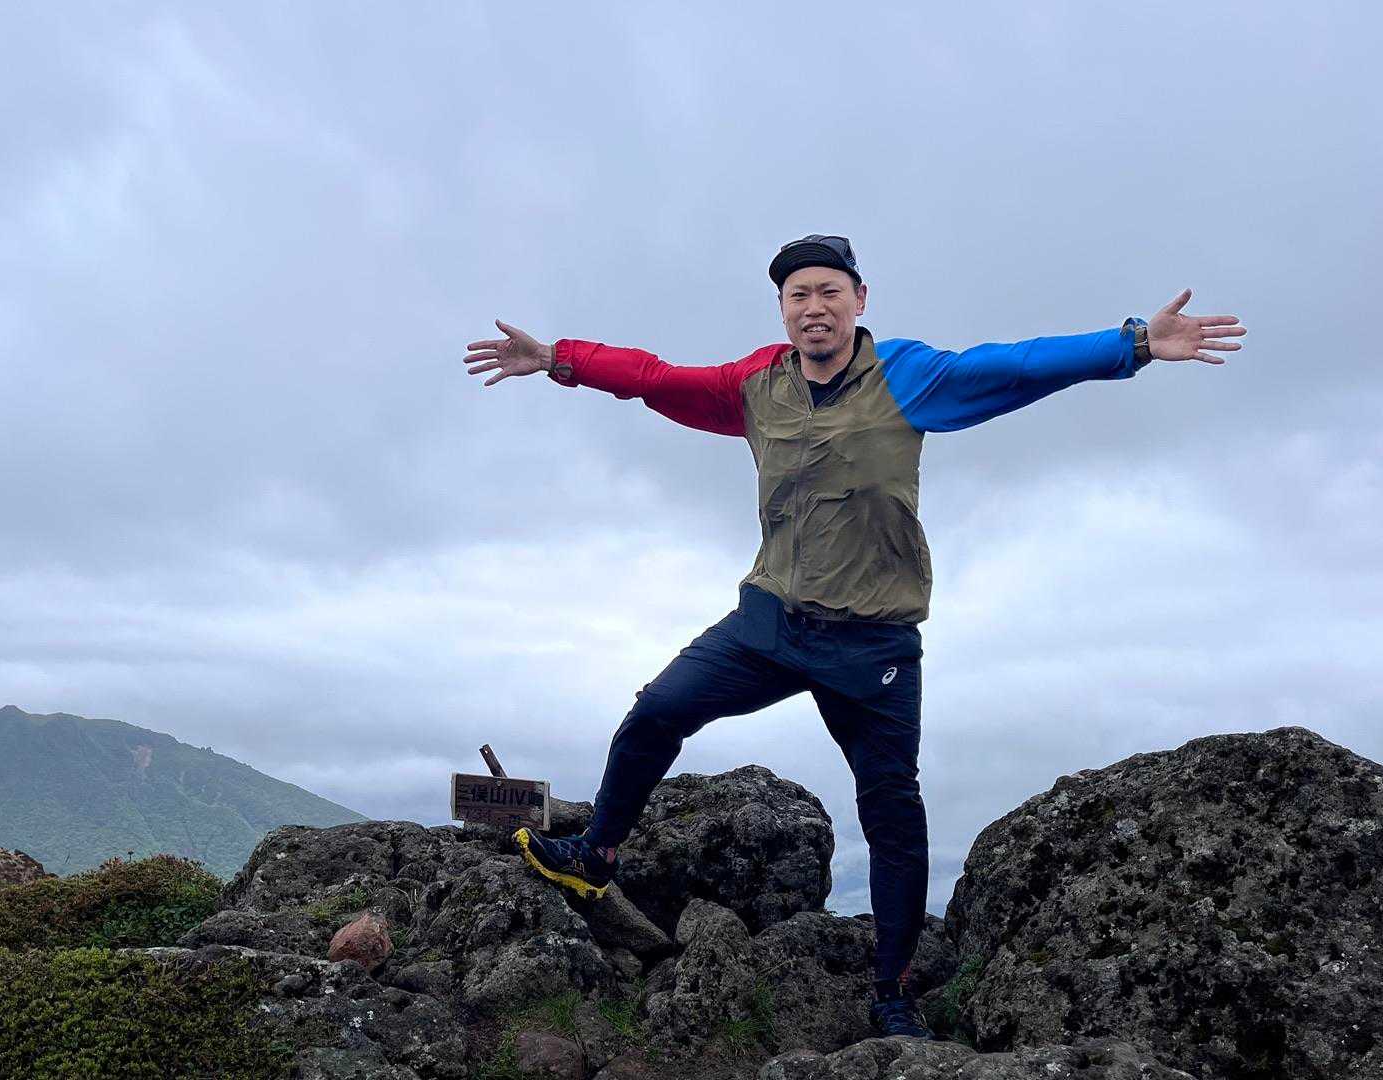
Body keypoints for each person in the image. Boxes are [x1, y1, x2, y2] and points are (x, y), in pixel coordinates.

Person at [460, 235, 1246, 1039]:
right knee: (656, 711)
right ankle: (595, 858)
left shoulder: (906, 375)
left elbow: (1015, 365)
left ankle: (893, 994)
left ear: (859, 300)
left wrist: (1133, 344)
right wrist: (558, 359)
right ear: (782, 309)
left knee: (893, 814)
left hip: (872, 646)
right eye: (799, 295)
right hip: (770, 621)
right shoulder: (756, 384)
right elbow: (656, 378)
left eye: (829, 292)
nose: (815, 308)